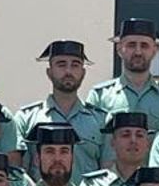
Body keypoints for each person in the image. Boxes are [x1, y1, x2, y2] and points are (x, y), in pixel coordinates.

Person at [15, 40, 108, 176]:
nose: (68, 71)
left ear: (83, 73)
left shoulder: (101, 121)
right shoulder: (26, 119)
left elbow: (107, 172)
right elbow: (19, 173)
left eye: (75, 65)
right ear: (49, 72)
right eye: (61, 64)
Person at [85, 18, 159, 132]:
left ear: (154, 50)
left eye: (144, 46)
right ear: (119, 49)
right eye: (131, 45)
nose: (138, 52)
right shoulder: (99, 96)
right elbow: (89, 138)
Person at [76, 111, 157, 186]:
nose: (133, 140)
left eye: (139, 135)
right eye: (125, 135)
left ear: (147, 144)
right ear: (113, 142)